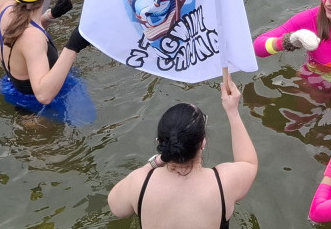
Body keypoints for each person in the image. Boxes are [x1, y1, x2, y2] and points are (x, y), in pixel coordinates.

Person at [107, 71, 258, 227]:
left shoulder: (139, 183)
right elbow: (249, 163)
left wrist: (154, 163)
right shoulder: (224, 183)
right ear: (203, 143)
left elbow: (116, 208)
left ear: (159, 141)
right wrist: (232, 112)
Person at [0, 0, 94, 124]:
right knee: (87, 122)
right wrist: (73, 46)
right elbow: (44, 95)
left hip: (13, 86)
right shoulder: (33, 37)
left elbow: (21, 33)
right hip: (36, 108)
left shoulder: (7, 8)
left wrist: (50, 16)